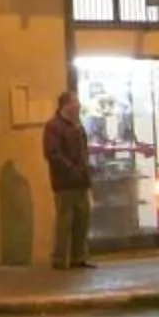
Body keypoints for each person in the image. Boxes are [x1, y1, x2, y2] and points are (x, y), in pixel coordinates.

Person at [43, 88, 94, 270]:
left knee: (82, 219)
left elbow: (83, 152)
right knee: (65, 221)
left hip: (81, 182)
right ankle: (60, 259)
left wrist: (86, 171)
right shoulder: (54, 127)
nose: (78, 106)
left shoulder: (77, 126)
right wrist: (72, 170)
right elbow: (52, 153)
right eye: (75, 102)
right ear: (66, 105)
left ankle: (78, 257)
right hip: (65, 184)